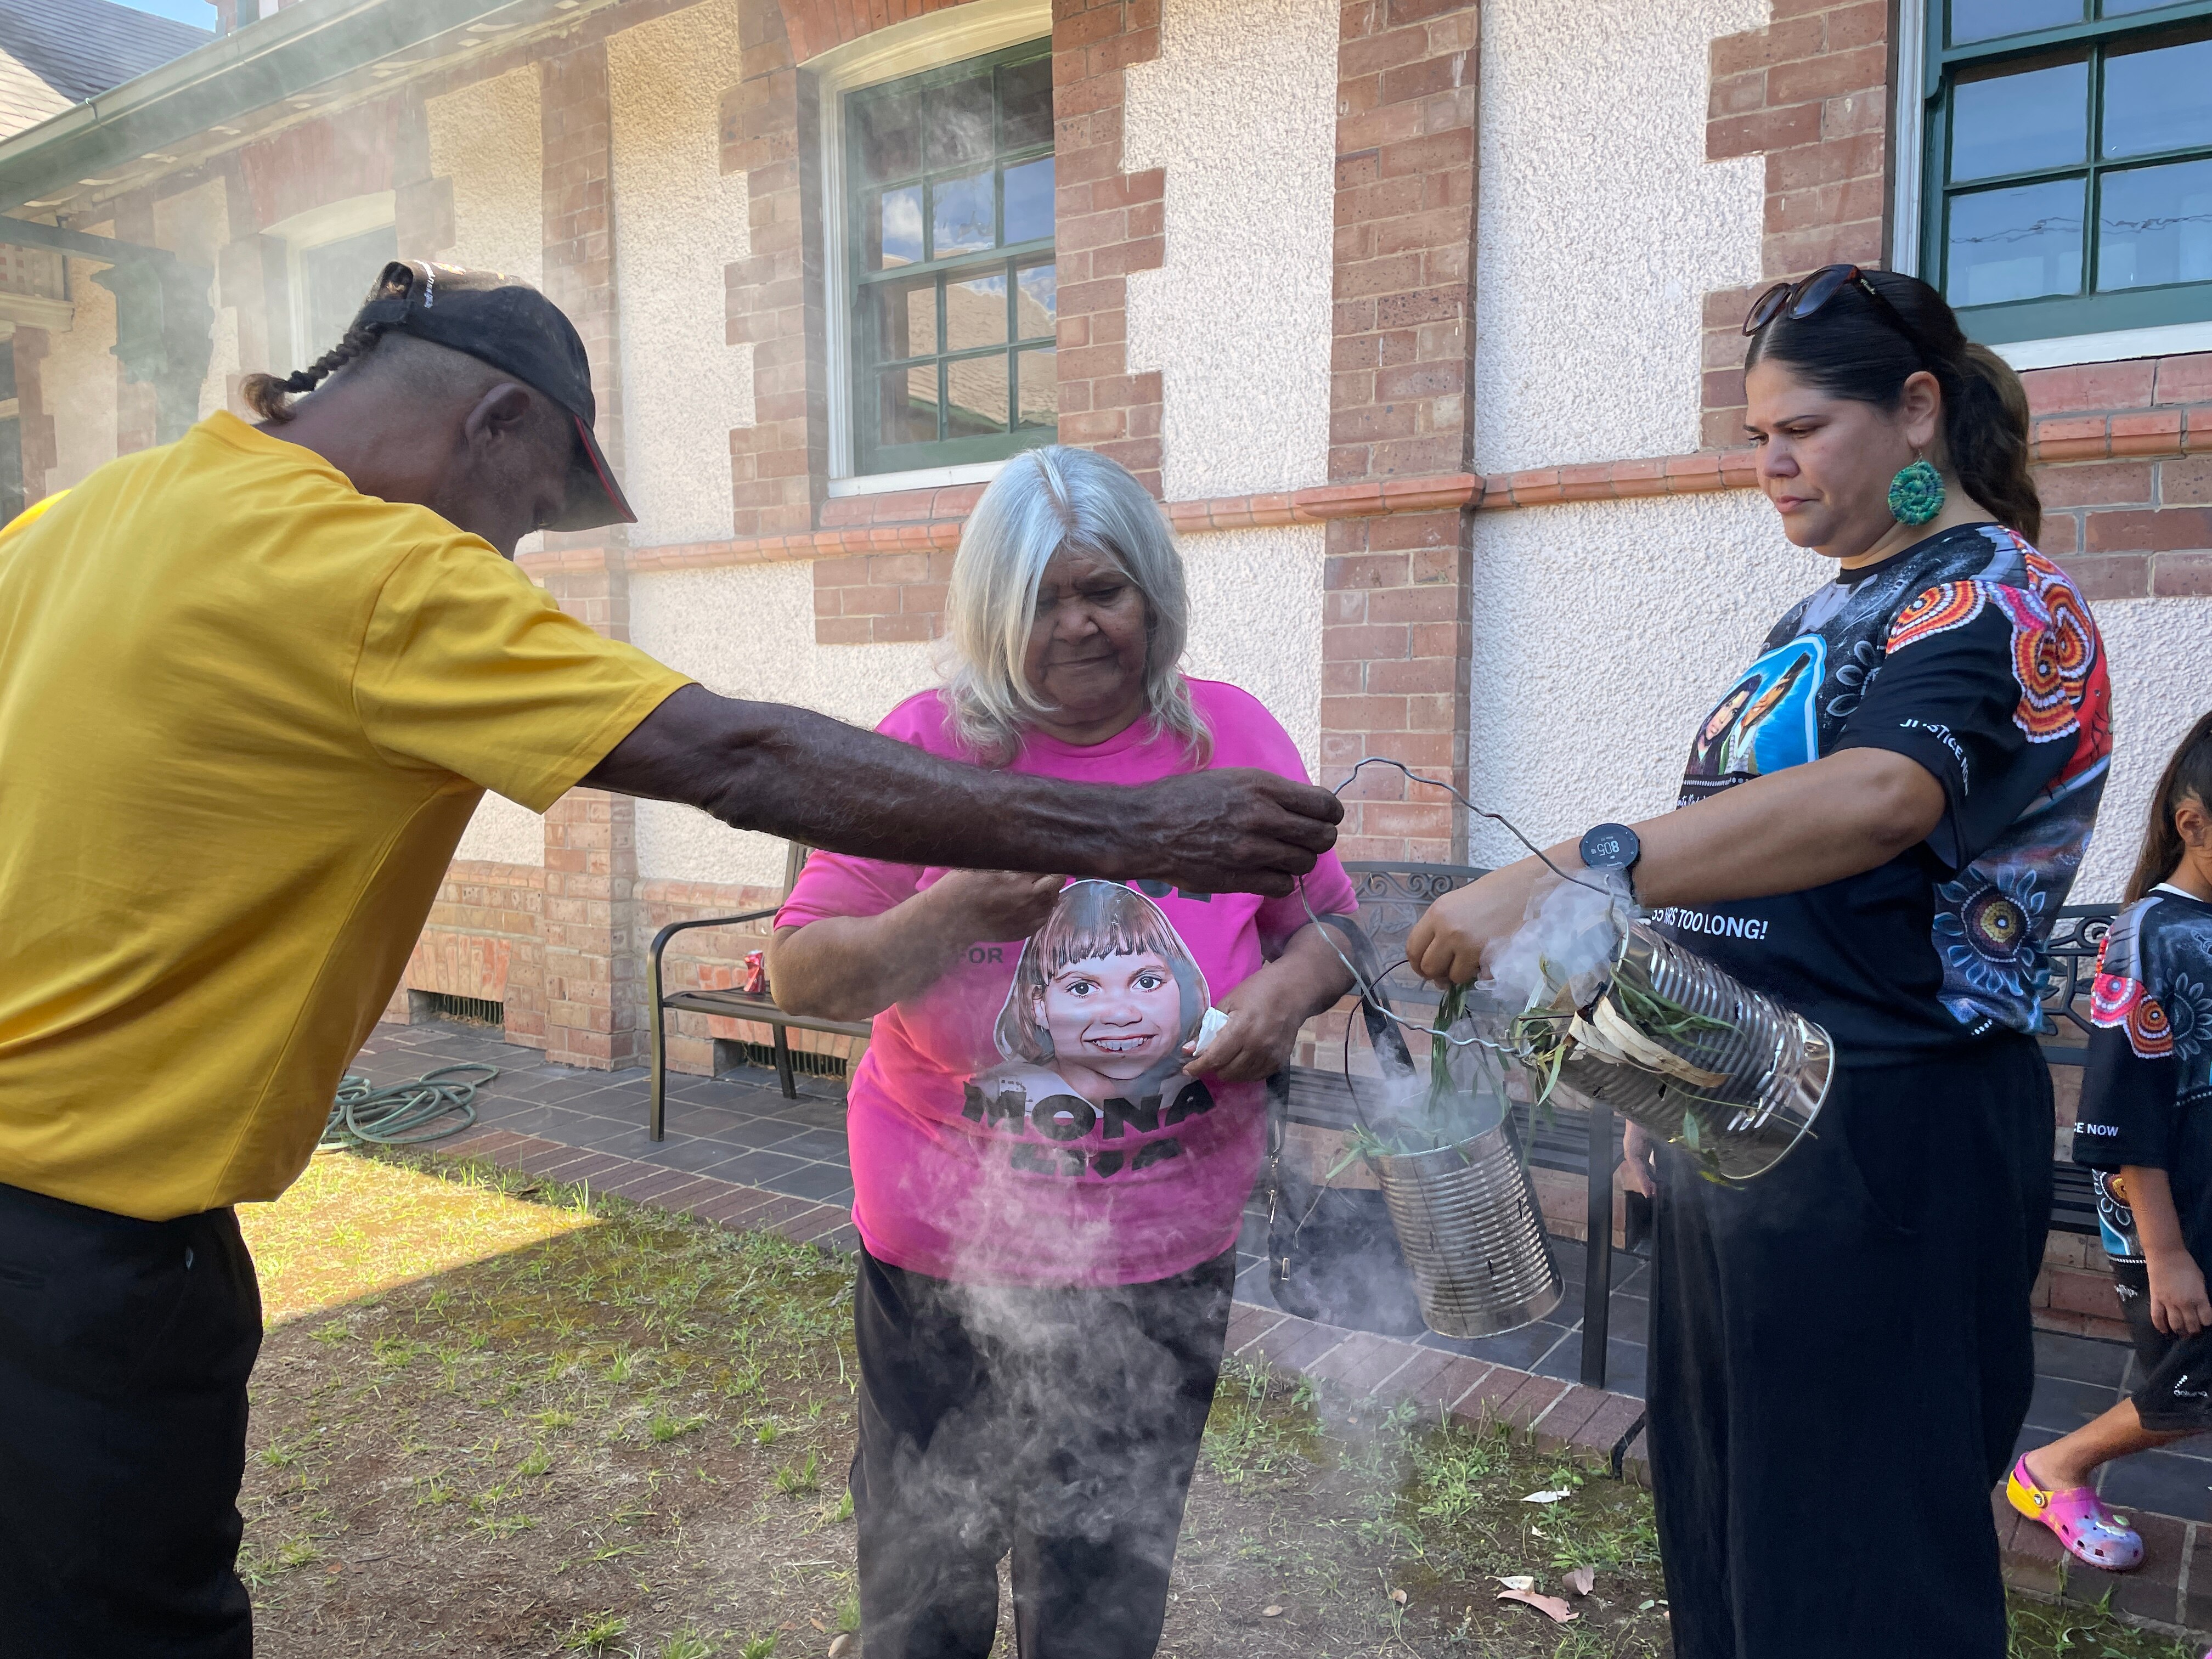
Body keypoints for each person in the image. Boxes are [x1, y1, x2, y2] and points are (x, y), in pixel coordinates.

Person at [0, 263, 1342, 1659]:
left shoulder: (69, 524)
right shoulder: (379, 571)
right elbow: (736, 759)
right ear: (499, 422)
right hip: (79, 1241)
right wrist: (1125, 826)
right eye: (528, 511)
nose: (508, 552)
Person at [1405, 266, 2111, 1658]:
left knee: (1863, 1576)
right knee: (1732, 1532)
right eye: (1754, 437)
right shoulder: (1818, 618)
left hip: (1894, 1137)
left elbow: (1880, 800)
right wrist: (1655, 1099)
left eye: (1799, 429)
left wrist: (1570, 868)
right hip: (1747, 1121)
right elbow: (1749, 867)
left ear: (1916, 412)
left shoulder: (2006, 605)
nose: (1769, 466)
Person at [767, 446, 1359, 1658]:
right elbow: (805, 976)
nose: (1078, 624)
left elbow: (1334, 927)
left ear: (1155, 598)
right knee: (923, 1586)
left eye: (1105, 591)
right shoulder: (926, 746)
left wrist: (1279, 998)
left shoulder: (1229, 737)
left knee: (1103, 1590)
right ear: (990, 609)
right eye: (1042, 597)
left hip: (1159, 1253)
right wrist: (952, 914)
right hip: (943, 1251)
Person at [2011, 713, 2212, 1571]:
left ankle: (2056, 1467)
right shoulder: (2148, 934)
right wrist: (2166, 1253)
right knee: (2195, 1382)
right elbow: (2124, 1104)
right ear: (2194, 824)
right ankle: (2054, 1468)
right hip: (2169, 1210)